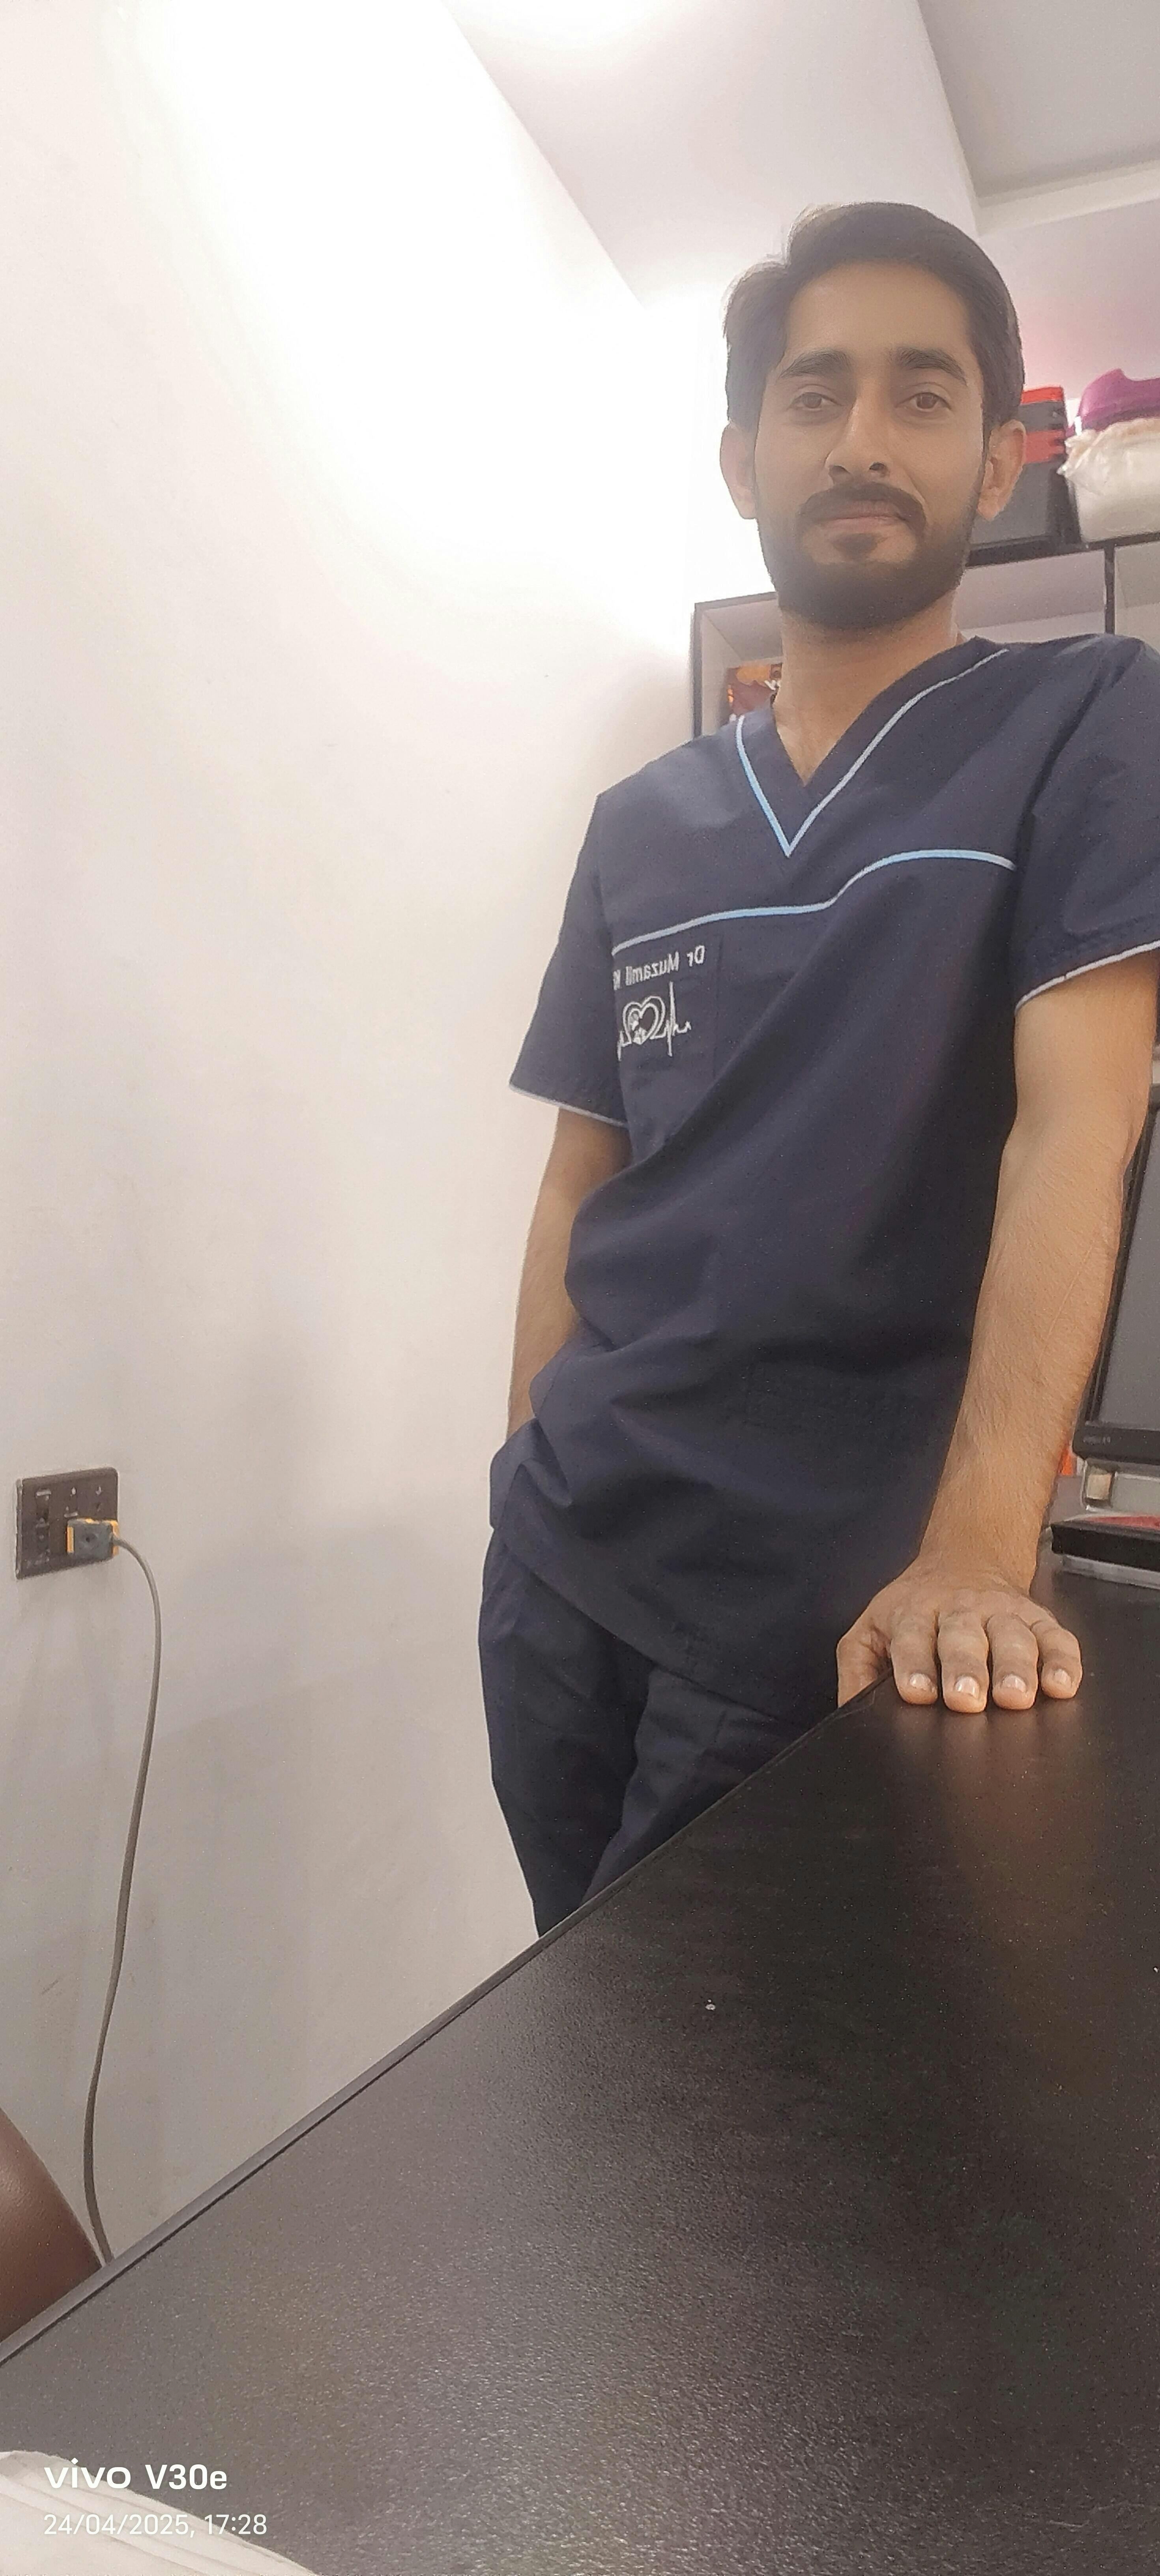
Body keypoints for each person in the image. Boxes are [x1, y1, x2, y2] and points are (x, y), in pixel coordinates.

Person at [479, 199, 1160, 1938]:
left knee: (742, 2081)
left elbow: (1076, 1133)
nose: (862, 439)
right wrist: (521, 1463)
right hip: (566, 1567)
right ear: (741, 461)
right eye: (815, 393)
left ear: (1002, 460)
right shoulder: (643, 820)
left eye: (922, 396)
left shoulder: (1085, 718)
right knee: (566, 2031)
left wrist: (978, 1554)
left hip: (837, 1599)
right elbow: (583, 1174)